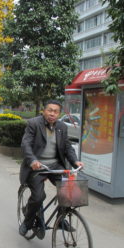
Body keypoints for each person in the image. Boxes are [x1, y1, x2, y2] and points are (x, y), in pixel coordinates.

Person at [19, 99, 84, 237]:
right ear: (44, 111)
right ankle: (27, 222)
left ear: (59, 114)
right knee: (38, 197)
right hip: (37, 167)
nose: (52, 114)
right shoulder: (33, 124)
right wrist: (32, 160)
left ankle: (61, 219)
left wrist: (75, 162)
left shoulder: (62, 127)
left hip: (55, 165)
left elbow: (67, 148)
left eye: (56, 111)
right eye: (49, 110)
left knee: (72, 191)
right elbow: (26, 145)